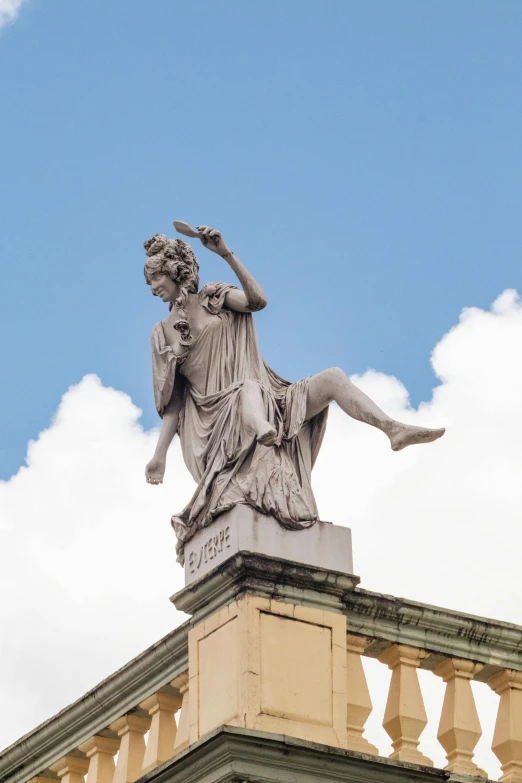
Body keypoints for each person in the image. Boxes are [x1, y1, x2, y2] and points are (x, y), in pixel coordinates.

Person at [144, 226, 444, 563]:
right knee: (248, 388)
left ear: (177, 272)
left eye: (156, 278)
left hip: (265, 398)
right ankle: (260, 428)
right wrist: (160, 455)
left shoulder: (215, 297)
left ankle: (392, 429)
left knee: (331, 377)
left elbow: (258, 301)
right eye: (150, 282)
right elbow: (173, 403)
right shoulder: (162, 333)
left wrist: (225, 253)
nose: (153, 288)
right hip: (212, 425)